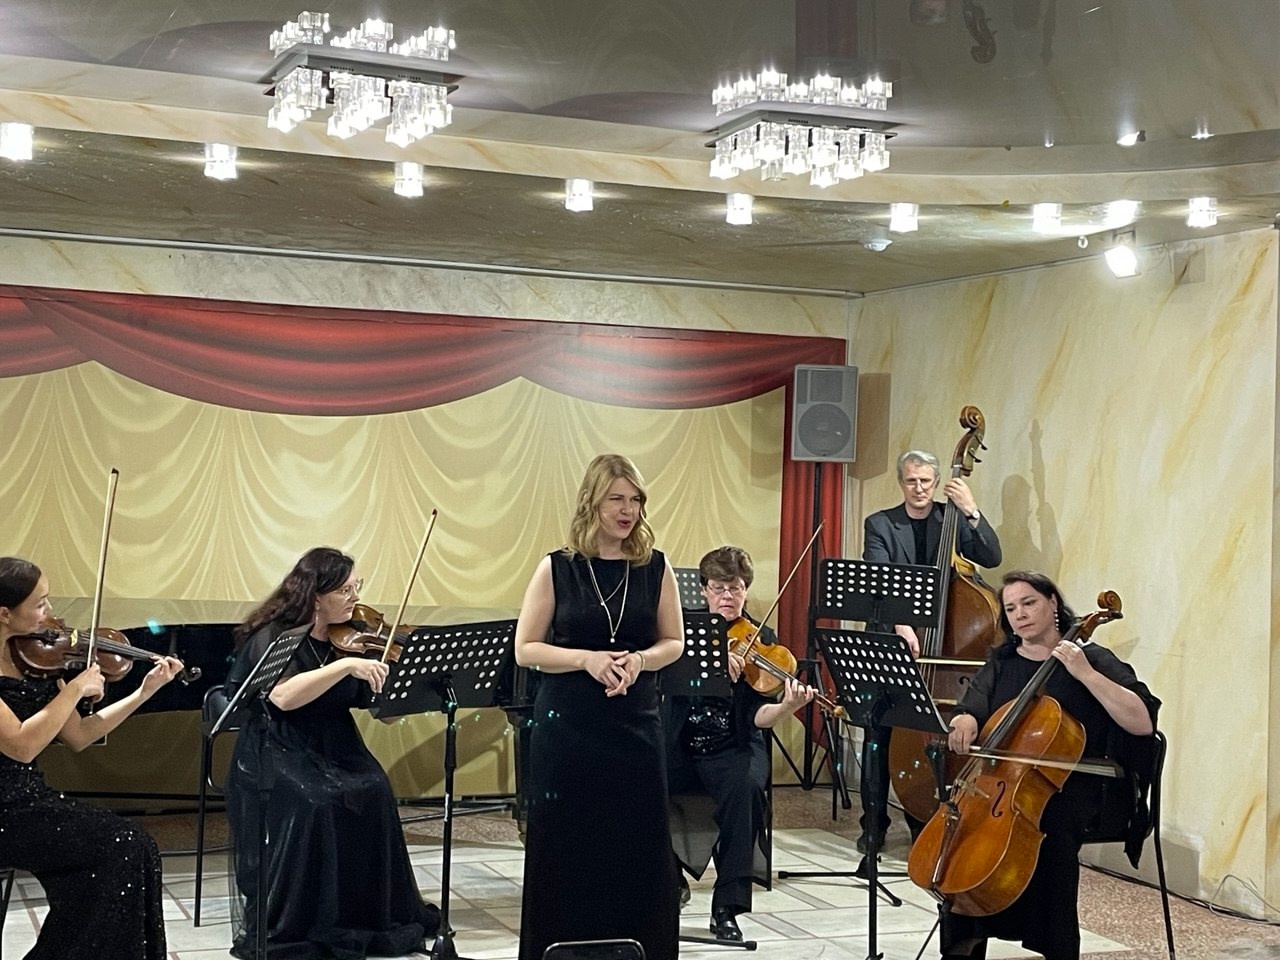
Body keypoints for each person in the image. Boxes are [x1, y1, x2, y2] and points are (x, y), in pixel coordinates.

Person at [223, 547, 440, 959]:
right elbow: (283, 698)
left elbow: (386, 717)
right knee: (315, 801)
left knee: (374, 789)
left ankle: (360, 912)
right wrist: (343, 667)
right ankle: (308, 917)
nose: (355, 597)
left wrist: (411, 689)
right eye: (344, 589)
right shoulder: (276, 636)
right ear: (315, 595)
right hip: (277, 743)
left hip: (337, 743)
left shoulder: (355, 640)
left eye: (357, 587)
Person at [514, 454, 685, 960]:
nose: (628, 510)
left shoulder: (656, 567)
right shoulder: (557, 567)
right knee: (568, 844)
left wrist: (640, 660)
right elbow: (525, 648)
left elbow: (673, 642)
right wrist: (585, 659)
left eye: (635, 500)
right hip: (568, 726)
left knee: (637, 843)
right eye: (617, 499)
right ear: (592, 501)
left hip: (635, 724)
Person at [939, 570, 1159, 960]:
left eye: (1029, 603)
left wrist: (1085, 674)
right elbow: (972, 705)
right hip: (1006, 786)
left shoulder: (1091, 658)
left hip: (1078, 786)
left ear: (1052, 603)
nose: (1020, 614)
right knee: (966, 837)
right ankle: (962, 944)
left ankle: (1056, 946)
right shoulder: (1003, 661)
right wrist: (965, 719)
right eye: (1011, 608)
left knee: (1049, 828)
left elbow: (1142, 722)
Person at [0, 556, 184, 960]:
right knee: (120, 846)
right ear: (4, 614)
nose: (50, 613)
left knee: (135, 848)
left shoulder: (33, 659)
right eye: (40, 604)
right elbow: (21, 745)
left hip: (29, 798)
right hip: (4, 810)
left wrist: (145, 691)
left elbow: (80, 735)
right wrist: (74, 690)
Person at [664, 546, 815, 942]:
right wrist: (710, 668)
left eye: (735, 588)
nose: (727, 596)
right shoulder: (683, 632)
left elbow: (757, 716)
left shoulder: (762, 641)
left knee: (746, 789)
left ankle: (726, 908)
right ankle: (669, 880)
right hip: (682, 739)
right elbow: (667, 685)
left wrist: (786, 706)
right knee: (642, 781)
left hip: (734, 744)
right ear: (704, 590)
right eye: (718, 588)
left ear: (746, 590)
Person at [859, 449, 1001, 851]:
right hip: (895, 644)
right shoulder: (881, 525)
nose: (919, 488)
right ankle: (873, 824)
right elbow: (879, 580)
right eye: (911, 480)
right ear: (901, 483)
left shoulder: (951, 519)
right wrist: (901, 623)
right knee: (879, 733)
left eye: (925, 481)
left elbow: (991, 557)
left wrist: (971, 511)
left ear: (937, 483)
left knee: (936, 734)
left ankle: (929, 814)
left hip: (942, 658)